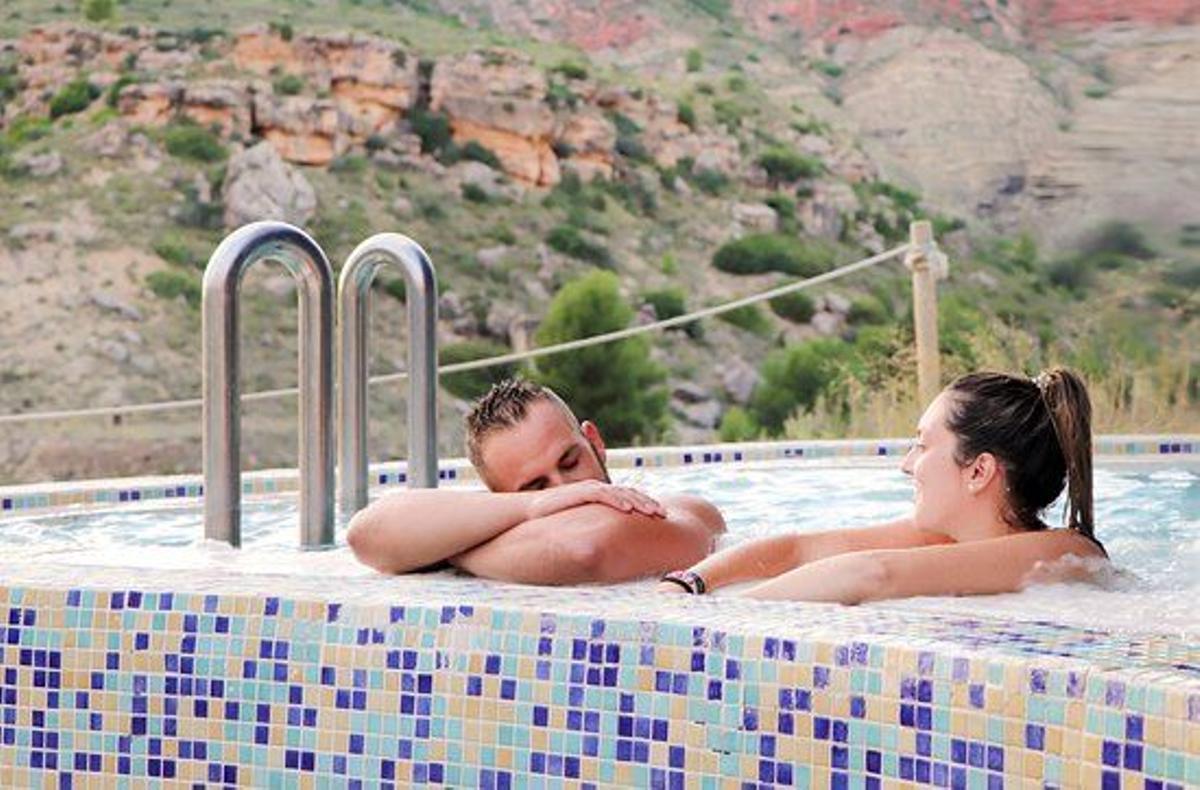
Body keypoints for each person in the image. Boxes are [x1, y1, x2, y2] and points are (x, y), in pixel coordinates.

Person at [657, 367, 1107, 603]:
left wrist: (725, 617)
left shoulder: (1068, 553)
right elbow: (799, 549)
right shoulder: (944, 539)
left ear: (978, 472)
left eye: (921, 445)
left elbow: (872, 573)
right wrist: (689, 583)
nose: (907, 465)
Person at [347, 378, 725, 584]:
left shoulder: (681, 510)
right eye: (536, 486)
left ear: (595, 442)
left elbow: (584, 551)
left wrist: (441, 547)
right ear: (499, 499)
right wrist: (531, 509)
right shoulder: (521, 516)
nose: (566, 491)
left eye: (570, 461)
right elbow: (366, 534)